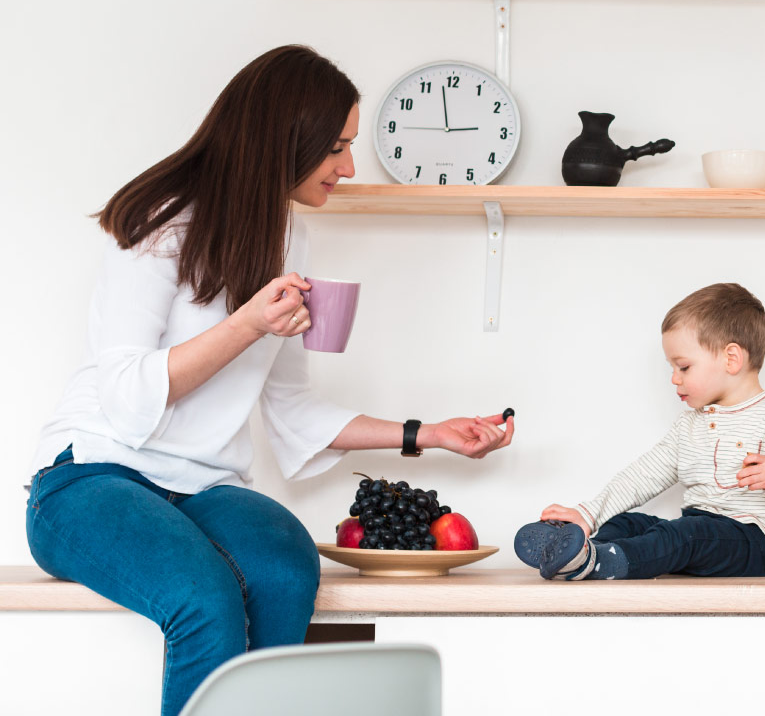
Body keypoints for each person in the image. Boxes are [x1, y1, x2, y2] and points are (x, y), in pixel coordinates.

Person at [24, 45, 516, 716]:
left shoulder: (288, 237)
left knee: (285, 570)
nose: (348, 165)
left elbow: (293, 407)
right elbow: (124, 392)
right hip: (93, 478)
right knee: (203, 597)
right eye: (336, 146)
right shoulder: (164, 222)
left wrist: (428, 434)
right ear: (286, 138)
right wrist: (250, 323)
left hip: (200, 488)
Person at [513, 282, 765, 581]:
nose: (674, 379)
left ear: (731, 359)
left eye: (683, 367)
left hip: (758, 541)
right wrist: (589, 514)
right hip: (700, 534)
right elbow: (642, 475)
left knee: (684, 535)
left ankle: (597, 563)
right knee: (629, 523)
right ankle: (582, 554)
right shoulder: (689, 425)